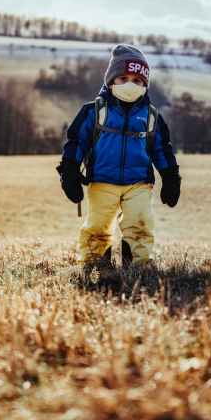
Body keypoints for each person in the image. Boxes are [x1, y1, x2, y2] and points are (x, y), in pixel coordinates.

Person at [57, 44, 181, 269]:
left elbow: (162, 149)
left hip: (139, 183)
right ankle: (94, 263)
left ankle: (138, 265)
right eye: (122, 78)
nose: (130, 85)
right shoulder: (93, 112)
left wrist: (171, 177)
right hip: (102, 181)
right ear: (110, 81)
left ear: (145, 84)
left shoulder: (151, 116)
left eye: (137, 80)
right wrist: (69, 171)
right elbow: (76, 142)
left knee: (140, 225)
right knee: (98, 226)